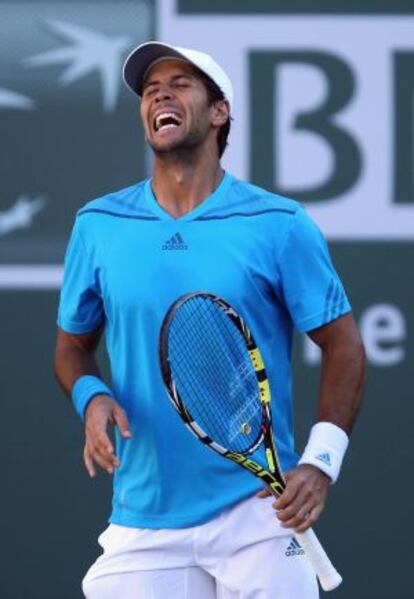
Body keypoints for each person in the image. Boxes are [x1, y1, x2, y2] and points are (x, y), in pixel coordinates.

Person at [54, 41, 365, 599]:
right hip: (144, 514)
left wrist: (320, 463)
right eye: (150, 91)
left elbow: (343, 345)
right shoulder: (97, 225)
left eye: (179, 85)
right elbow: (71, 348)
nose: (160, 96)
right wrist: (91, 396)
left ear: (219, 111)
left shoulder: (279, 223)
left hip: (259, 515)